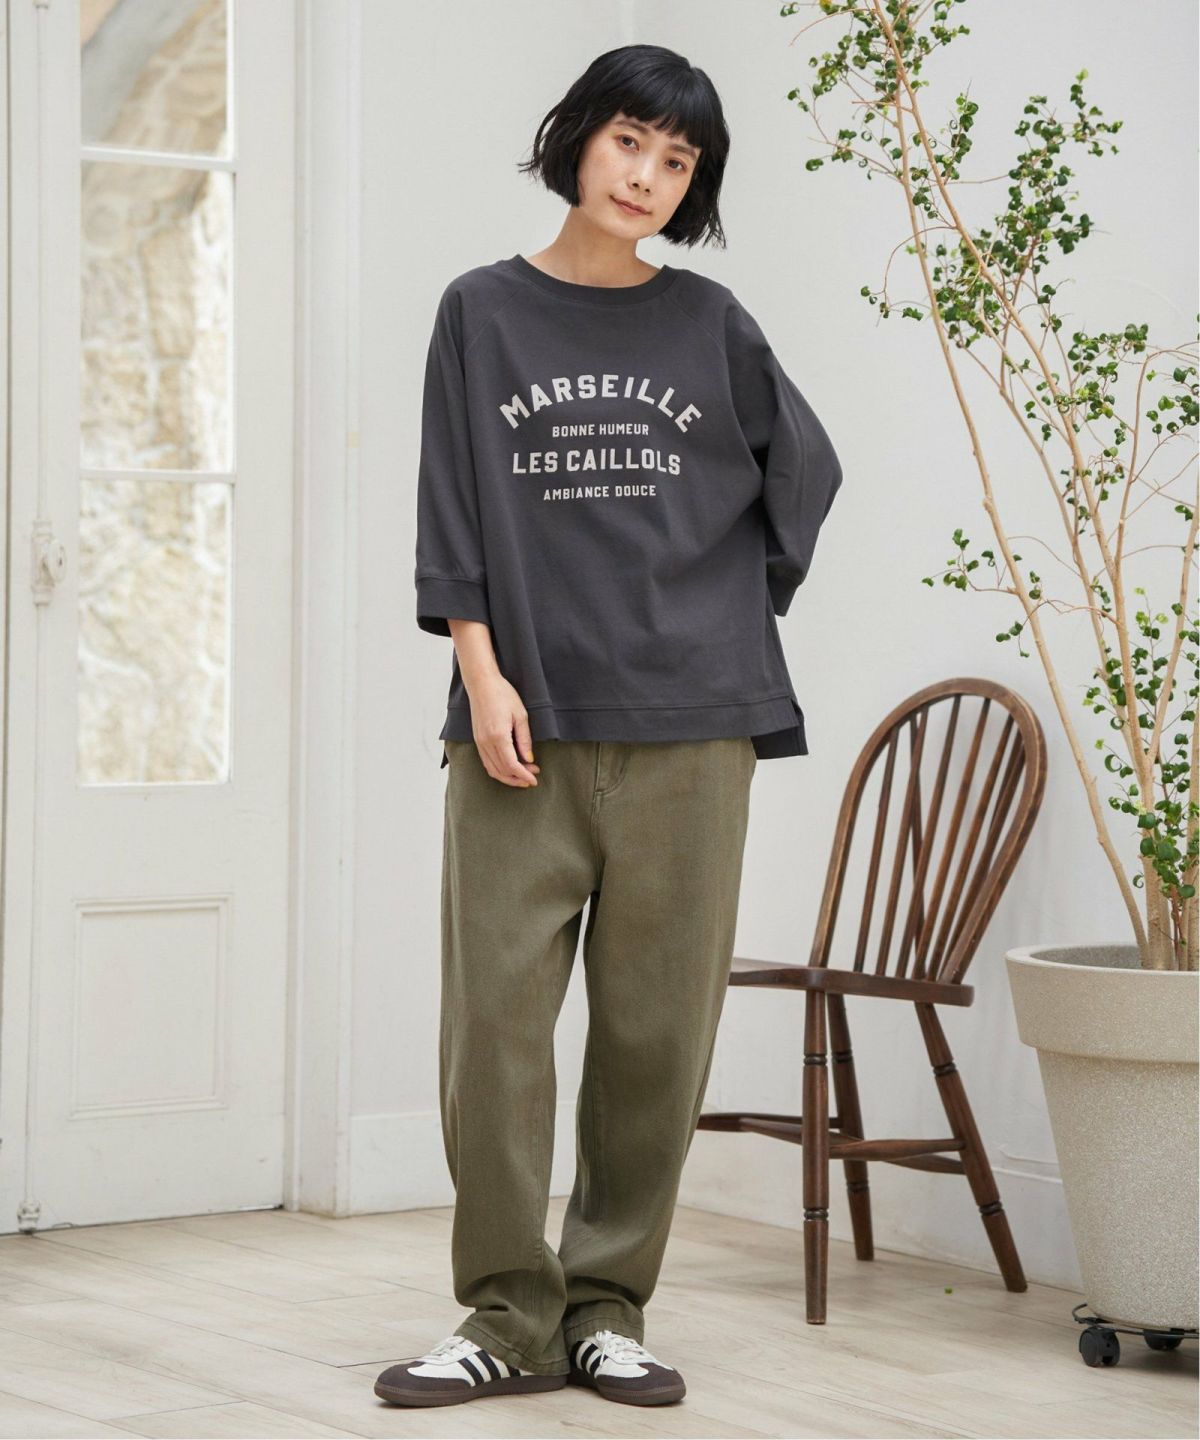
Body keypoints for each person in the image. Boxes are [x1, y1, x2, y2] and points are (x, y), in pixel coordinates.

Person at [375, 42, 843, 1411]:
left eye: (678, 160)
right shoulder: (483, 312)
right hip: (520, 722)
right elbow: (452, 506)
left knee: (656, 1036)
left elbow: (803, 474)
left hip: (694, 728)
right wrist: (481, 673)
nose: (647, 175)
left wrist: (718, 605)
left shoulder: (710, 323)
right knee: (494, 1031)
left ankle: (606, 1308)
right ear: (578, 139)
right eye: (631, 141)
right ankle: (505, 1313)